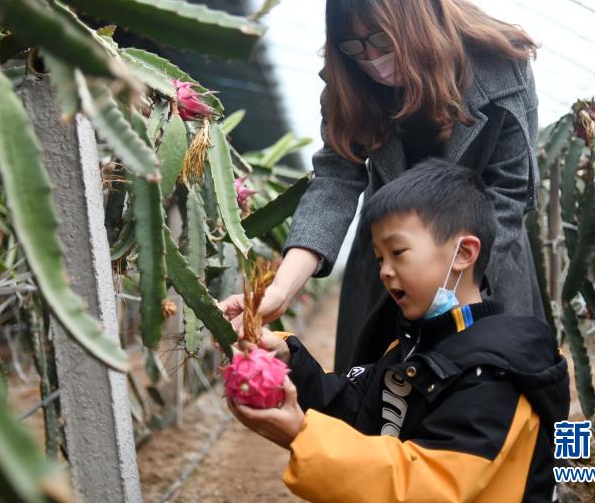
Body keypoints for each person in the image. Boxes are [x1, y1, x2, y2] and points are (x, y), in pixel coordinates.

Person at [218, 0, 544, 372]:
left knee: (491, 410)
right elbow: (334, 181)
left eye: (379, 41)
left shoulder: (501, 66)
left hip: (485, 269)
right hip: (389, 269)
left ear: (414, 20)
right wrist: (281, 289)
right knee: (378, 405)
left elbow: (508, 196)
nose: (371, 61)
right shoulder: (349, 84)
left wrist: (449, 287)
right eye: (355, 48)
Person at [227, 159, 569, 502]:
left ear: (463, 253)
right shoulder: (414, 346)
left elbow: (429, 486)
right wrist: (284, 358)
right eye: (379, 258)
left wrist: (302, 435)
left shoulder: (494, 375)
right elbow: (352, 405)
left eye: (398, 252)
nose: (385, 272)